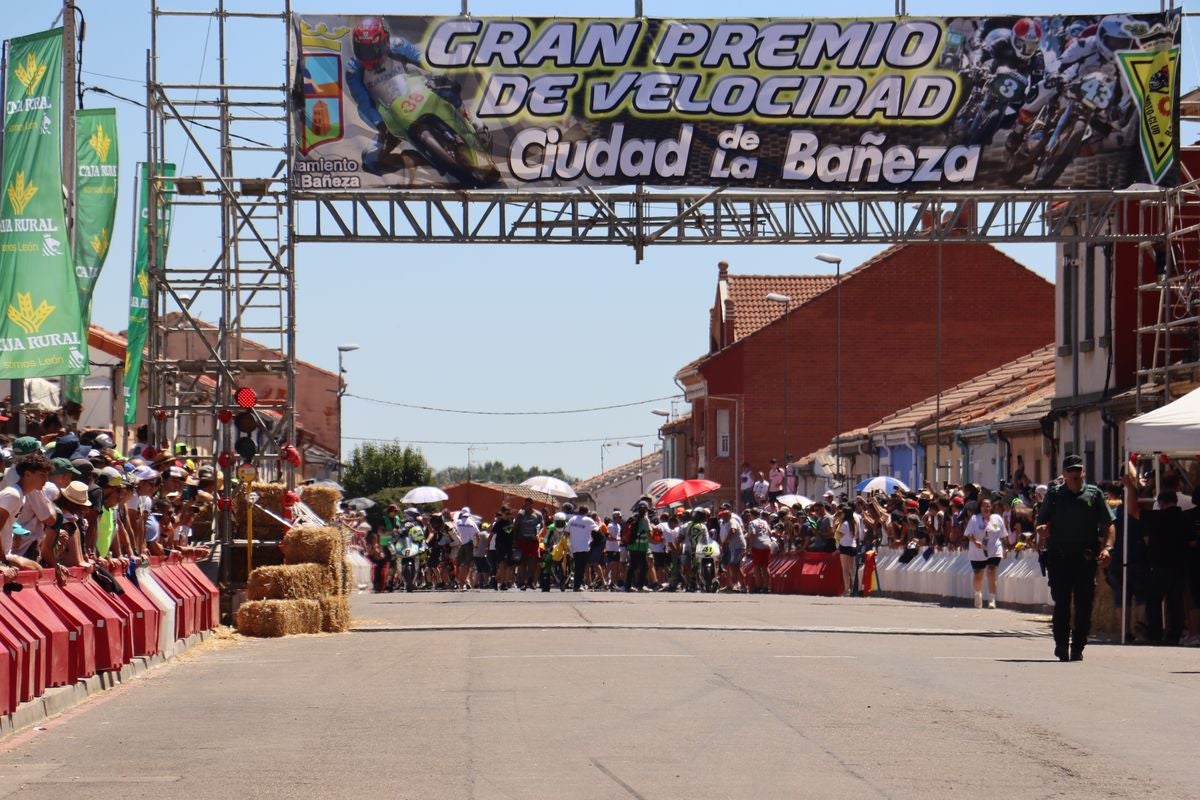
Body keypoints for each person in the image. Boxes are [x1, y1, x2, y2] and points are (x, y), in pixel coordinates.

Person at [1036, 454, 1116, 662]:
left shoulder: (1094, 494)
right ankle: (1061, 644)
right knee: (1062, 602)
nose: (1074, 473)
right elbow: (1041, 521)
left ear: (1084, 472)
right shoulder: (1054, 495)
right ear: (1064, 474)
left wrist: (1108, 548)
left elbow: (1108, 523)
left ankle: (1078, 646)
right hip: (1059, 557)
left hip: (1085, 558)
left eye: (1078, 470)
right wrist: (1042, 529)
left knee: (1084, 603)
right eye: (1070, 470)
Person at [965, 497, 1010, 609]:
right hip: (978, 550)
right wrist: (975, 541)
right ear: (980, 508)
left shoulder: (997, 518)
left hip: (994, 549)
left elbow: (1003, 535)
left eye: (988, 506)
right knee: (978, 574)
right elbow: (968, 534)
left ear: (991, 507)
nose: (986, 508)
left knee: (991, 571)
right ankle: (978, 594)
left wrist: (1005, 548)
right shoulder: (975, 519)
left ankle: (992, 600)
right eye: (983, 506)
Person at [512, 498, 543, 590]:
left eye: (528, 504)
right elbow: (515, 527)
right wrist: (514, 541)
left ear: (532, 504)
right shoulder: (521, 514)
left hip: (534, 541)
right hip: (522, 540)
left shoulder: (538, 514)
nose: (525, 506)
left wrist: (539, 533)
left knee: (534, 561)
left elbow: (542, 526)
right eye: (525, 504)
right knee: (523, 562)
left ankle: (530, 580)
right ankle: (522, 582)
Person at [565, 505, 598, 591]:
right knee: (581, 567)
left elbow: (566, 533)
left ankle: (579, 584)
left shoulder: (572, 519)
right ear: (586, 512)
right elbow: (597, 530)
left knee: (578, 566)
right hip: (584, 546)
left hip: (574, 546)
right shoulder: (589, 520)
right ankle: (577, 585)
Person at [625, 502, 652, 592]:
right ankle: (640, 586)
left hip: (632, 546)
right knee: (644, 567)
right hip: (641, 547)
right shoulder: (644, 520)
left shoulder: (633, 519)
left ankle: (628, 586)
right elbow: (650, 535)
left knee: (632, 566)